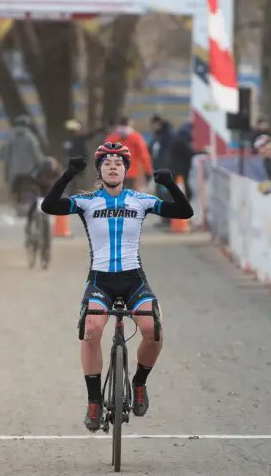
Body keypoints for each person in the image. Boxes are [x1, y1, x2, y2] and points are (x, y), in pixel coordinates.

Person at [40, 142, 193, 432]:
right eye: (107, 162)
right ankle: (94, 401)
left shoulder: (140, 200)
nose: (113, 165)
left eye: (118, 162)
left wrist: (170, 185)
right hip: (101, 281)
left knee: (153, 330)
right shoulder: (87, 201)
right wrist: (67, 175)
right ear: (100, 170)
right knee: (91, 330)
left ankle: (138, 384)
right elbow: (49, 206)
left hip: (133, 279)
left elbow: (184, 213)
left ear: (126, 169)